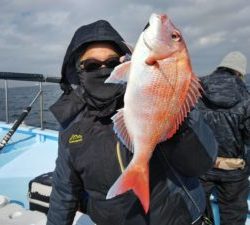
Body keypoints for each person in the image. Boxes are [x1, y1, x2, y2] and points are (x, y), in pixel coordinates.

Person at [47, 19, 217, 225]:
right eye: (91, 65)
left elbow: (202, 163)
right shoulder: (71, 126)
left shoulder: (153, 99)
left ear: (124, 62)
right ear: (77, 72)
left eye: (111, 63)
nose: (103, 70)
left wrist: (178, 115)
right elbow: (64, 192)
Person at [198, 51, 250, 225]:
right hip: (234, 171)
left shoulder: (198, 87)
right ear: (239, 72)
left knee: (198, 213)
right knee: (233, 217)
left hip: (202, 166)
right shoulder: (245, 94)